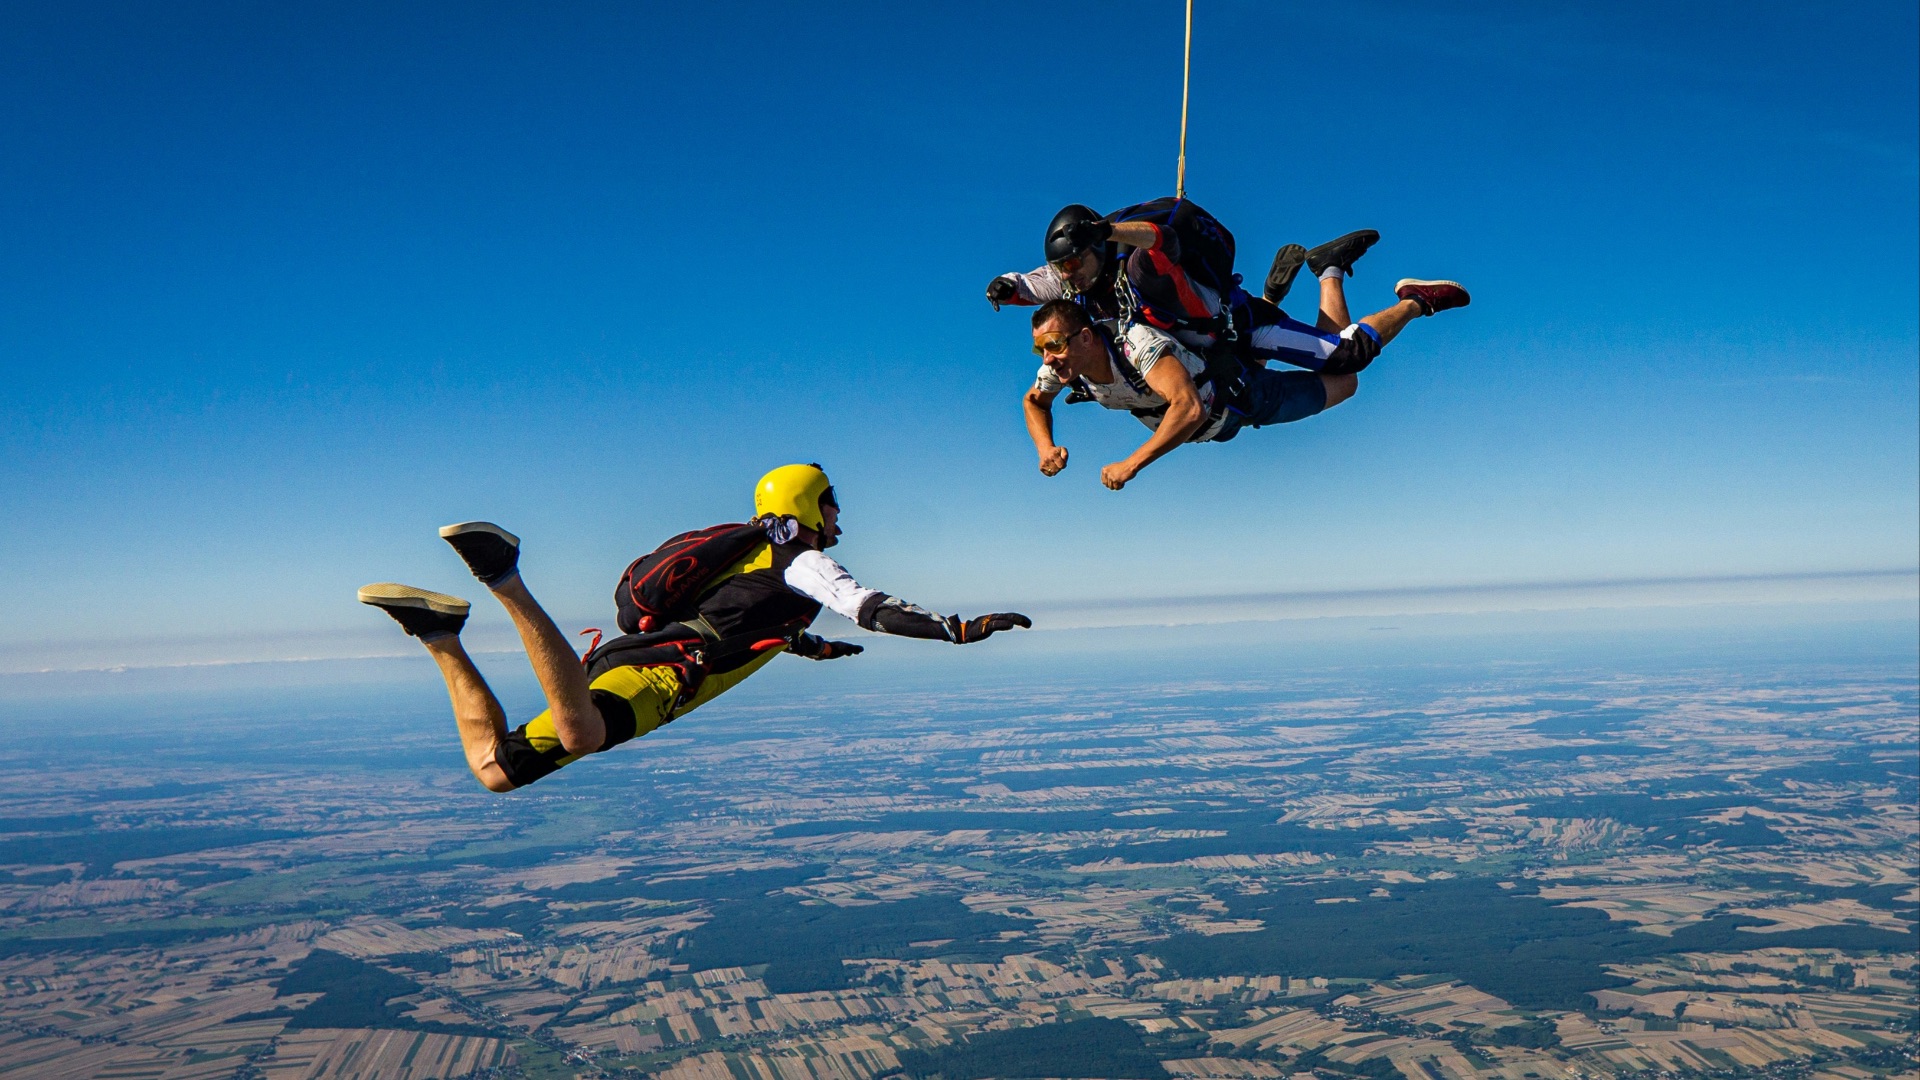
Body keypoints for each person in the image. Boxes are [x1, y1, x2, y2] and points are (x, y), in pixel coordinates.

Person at [358, 465, 1031, 791]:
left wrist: (814, 647)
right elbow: (873, 608)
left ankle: (437, 634)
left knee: (494, 771)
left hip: (631, 654)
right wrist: (958, 630)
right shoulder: (807, 562)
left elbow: (743, 621)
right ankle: (505, 578)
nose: (839, 519)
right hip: (667, 672)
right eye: (831, 505)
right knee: (581, 732)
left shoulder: (750, 554)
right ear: (809, 507)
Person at [1021, 265, 1469, 490]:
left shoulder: (1137, 346)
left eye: (1055, 345)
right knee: (1327, 364)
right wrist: (1045, 449)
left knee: (1347, 375)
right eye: (1041, 348)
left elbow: (1187, 408)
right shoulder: (1061, 366)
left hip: (1244, 398)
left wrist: (1131, 464)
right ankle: (1326, 271)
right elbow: (1034, 401)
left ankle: (1414, 301)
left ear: (1084, 337)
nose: (1048, 359)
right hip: (1224, 401)